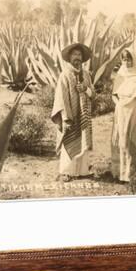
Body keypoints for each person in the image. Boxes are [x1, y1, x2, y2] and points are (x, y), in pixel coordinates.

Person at [51, 43, 96, 181]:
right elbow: (61, 98)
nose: (77, 57)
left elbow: (93, 93)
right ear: (69, 57)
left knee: (83, 141)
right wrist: (65, 118)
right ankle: (67, 171)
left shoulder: (87, 75)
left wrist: (85, 89)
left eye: (79, 55)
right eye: (74, 55)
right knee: (69, 141)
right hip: (70, 115)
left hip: (84, 115)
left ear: (82, 58)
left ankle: (82, 171)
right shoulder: (65, 75)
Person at [111, 49, 136, 182]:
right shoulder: (120, 74)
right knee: (123, 141)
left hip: (135, 111)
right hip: (121, 112)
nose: (126, 62)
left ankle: (135, 174)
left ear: (133, 59)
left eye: (129, 59)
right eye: (124, 59)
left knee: (135, 140)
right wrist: (118, 104)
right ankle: (122, 174)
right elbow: (114, 94)